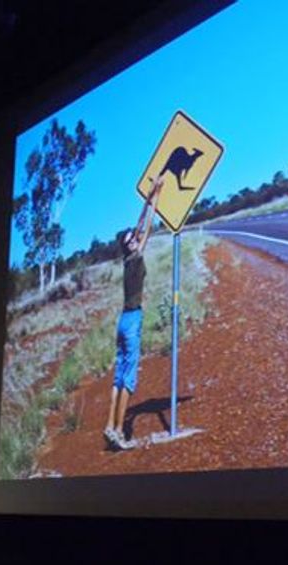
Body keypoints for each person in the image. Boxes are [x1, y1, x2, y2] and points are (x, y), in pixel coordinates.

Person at [103, 176, 163, 450]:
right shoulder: (136, 257)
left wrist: (150, 195)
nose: (137, 237)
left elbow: (139, 227)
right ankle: (117, 431)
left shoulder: (127, 258)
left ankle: (109, 426)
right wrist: (157, 195)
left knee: (118, 376)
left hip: (121, 321)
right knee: (129, 378)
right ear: (131, 243)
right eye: (133, 238)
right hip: (133, 320)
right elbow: (147, 227)